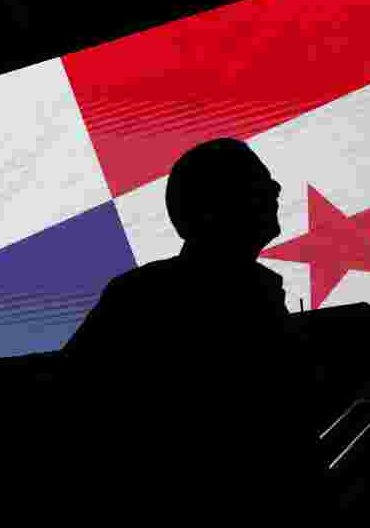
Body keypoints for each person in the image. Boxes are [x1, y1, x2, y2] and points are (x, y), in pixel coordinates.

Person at [59, 138, 316, 511]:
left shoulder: (259, 292)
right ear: (212, 206)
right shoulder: (141, 297)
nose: (275, 188)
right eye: (257, 180)